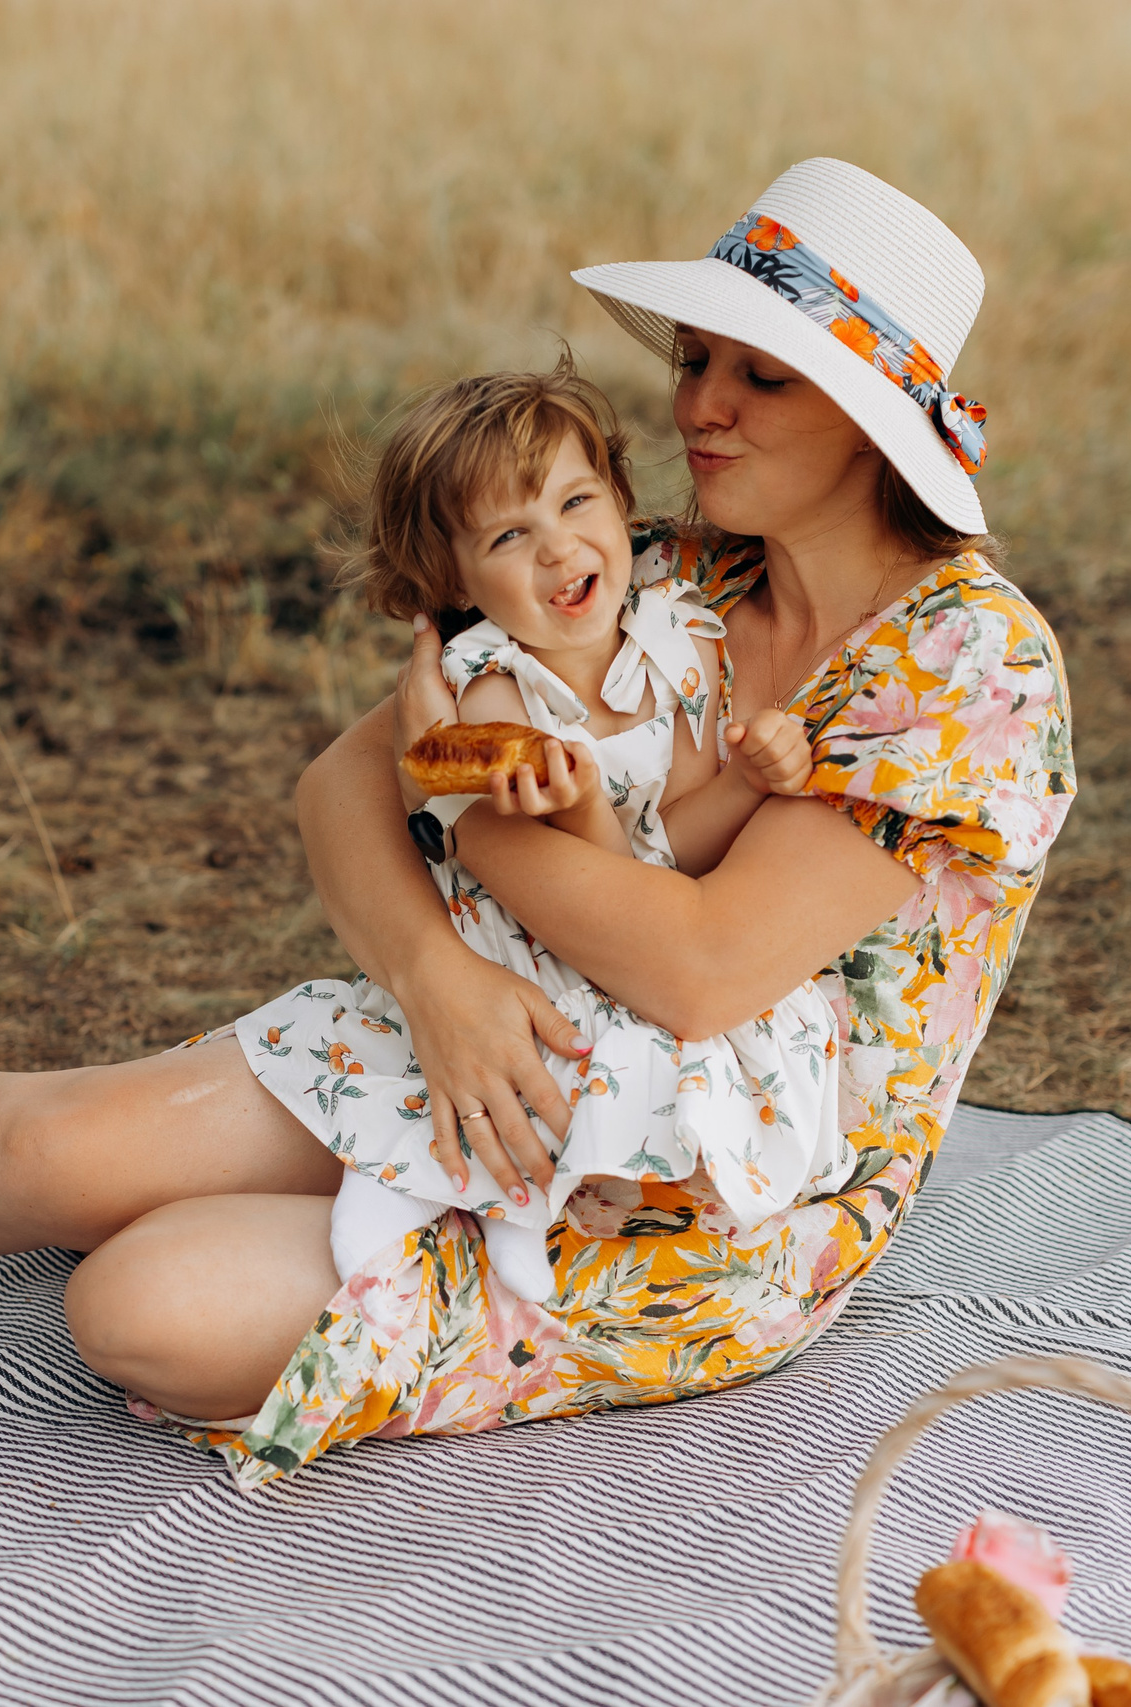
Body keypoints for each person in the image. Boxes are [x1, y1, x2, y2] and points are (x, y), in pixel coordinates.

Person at [0, 158, 1074, 1489]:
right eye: (696, 360)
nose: (700, 405)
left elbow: (710, 965)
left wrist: (483, 838)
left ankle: (323, 1210)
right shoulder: (666, 568)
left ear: (875, 421)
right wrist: (438, 985)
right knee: (49, 1146)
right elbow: (340, 783)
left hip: (700, 1192)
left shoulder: (971, 664)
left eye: (759, 375)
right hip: (498, 1036)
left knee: (140, 1303)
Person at [297, 360, 853, 1307]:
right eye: (512, 535)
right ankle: (428, 1188)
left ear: (621, 500)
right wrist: (496, 771)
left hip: (627, 926)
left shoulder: (684, 640)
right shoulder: (493, 683)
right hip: (534, 950)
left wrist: (748, 784)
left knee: (678, 1049)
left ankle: (556, 1195)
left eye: (577, 501)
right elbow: (445, 787)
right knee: (560, 1048)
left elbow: (664, 848)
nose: (559, 550)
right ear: (454, 578)